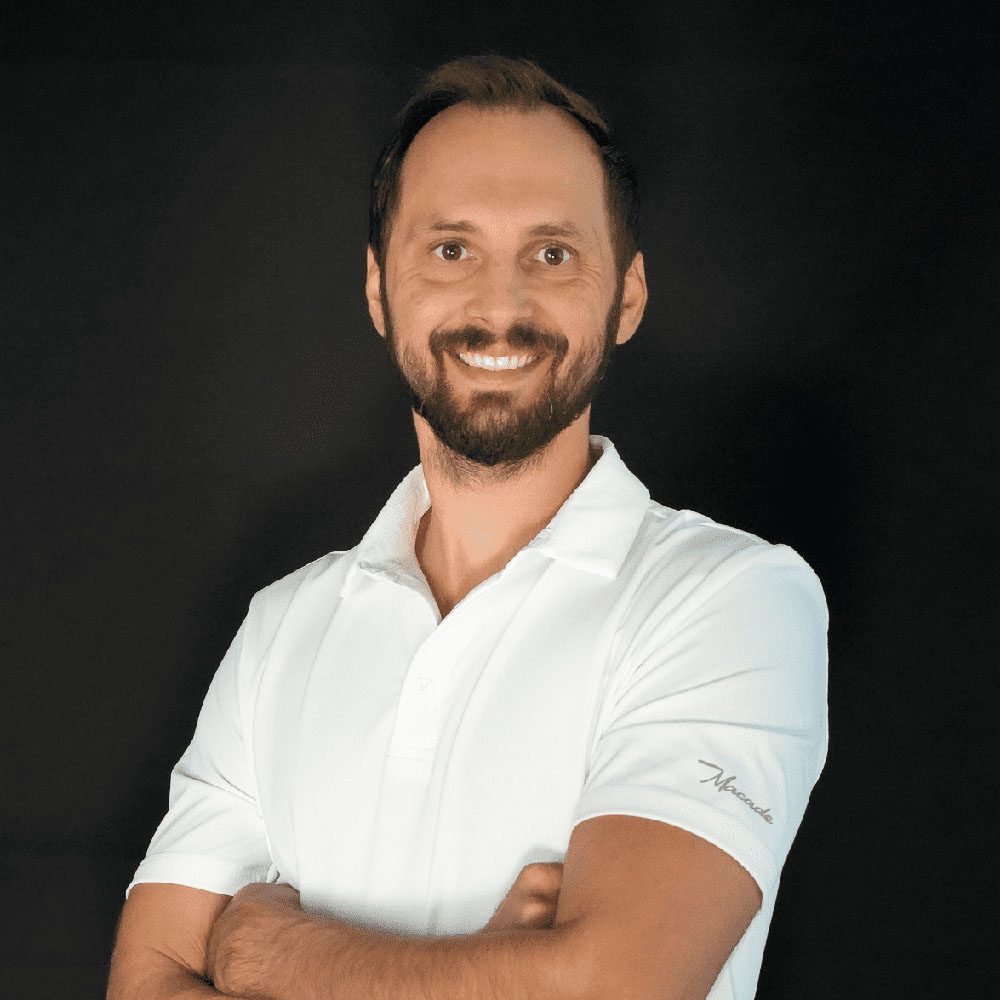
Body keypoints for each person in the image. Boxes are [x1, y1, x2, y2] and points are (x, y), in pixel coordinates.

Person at [107, 53, 828, 1000]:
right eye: (451, 250)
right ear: (379, 291)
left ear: (628, 296)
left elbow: (615, 987)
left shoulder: (733, 599)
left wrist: (268, 956)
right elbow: (146, 983)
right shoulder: (282, 629)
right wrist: (503, 974)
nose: (500, 307)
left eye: (552, 254)